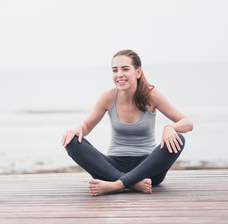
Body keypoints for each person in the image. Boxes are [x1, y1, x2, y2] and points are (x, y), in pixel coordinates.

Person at [61, 49, 193, 196]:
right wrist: (77, 128)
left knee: (179, 139)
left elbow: (187, 123)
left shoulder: (151, 95)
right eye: (115, 70)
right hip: (112, 167)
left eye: (125, 69)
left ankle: (116, 185)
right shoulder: (108, 97)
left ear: (138, 72)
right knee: (71, 140)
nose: (119, 75)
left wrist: (171, 127)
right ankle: (131, 184)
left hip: (148, 170)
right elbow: (87, 126)